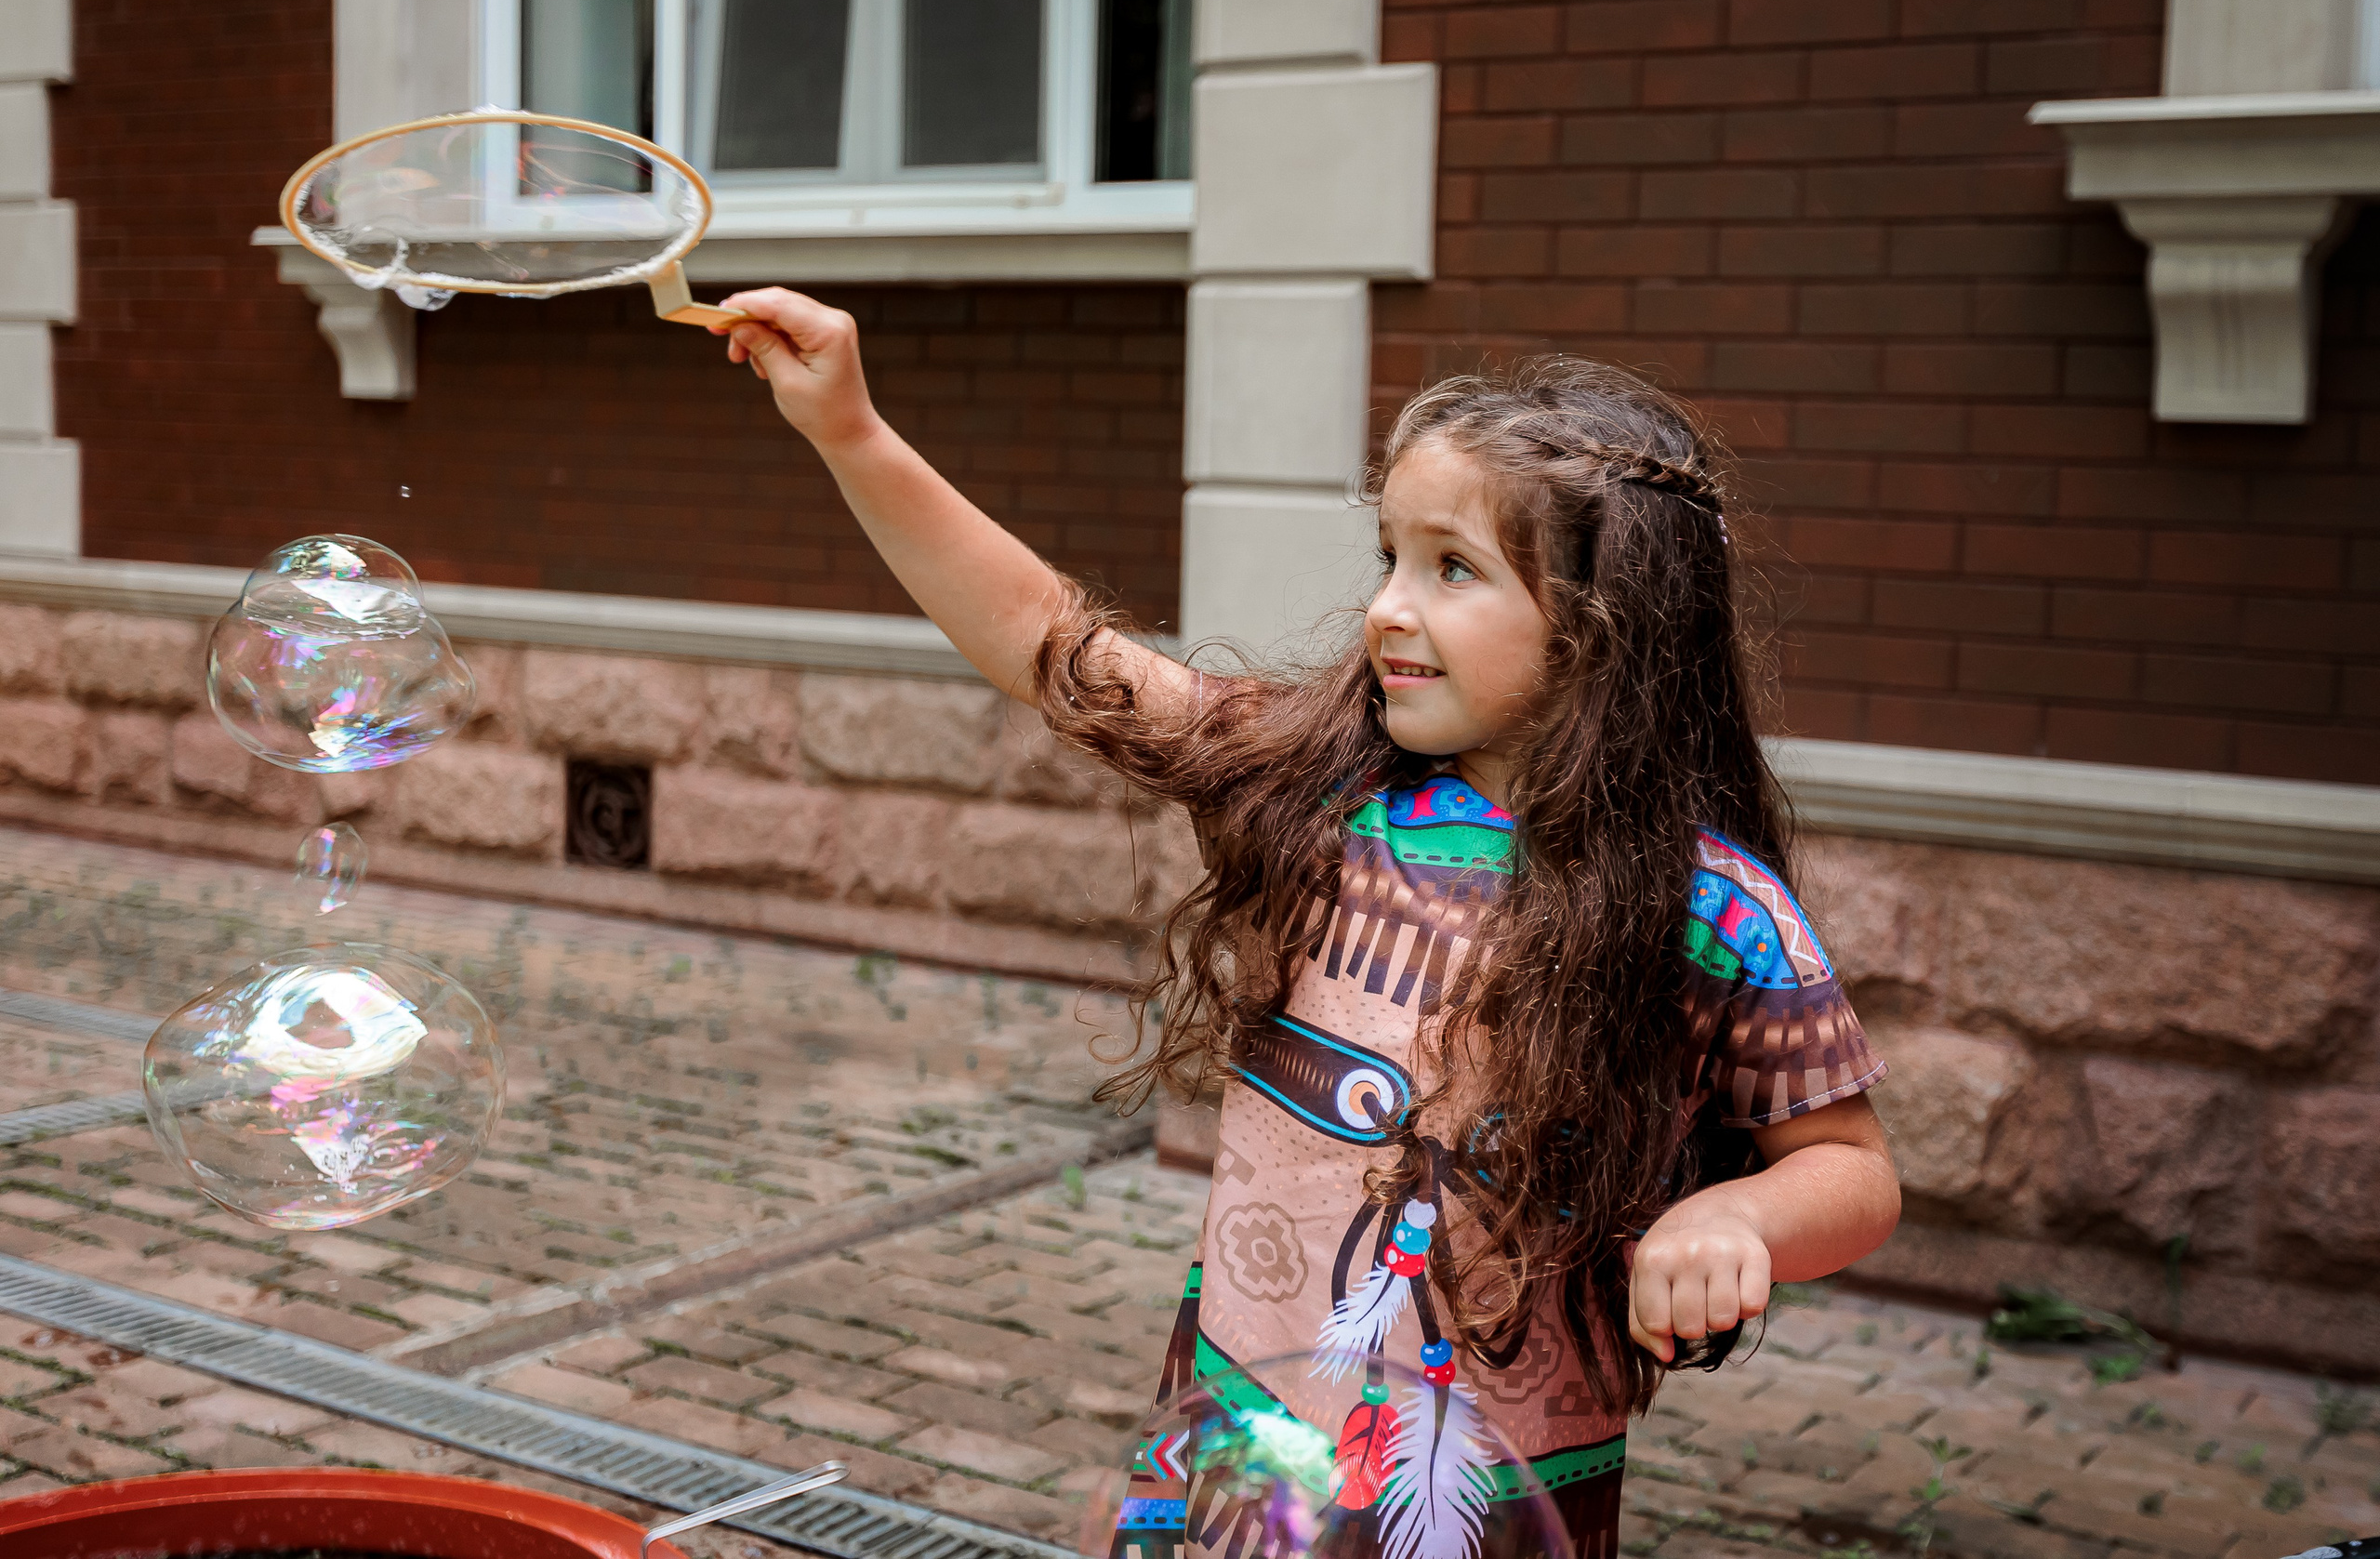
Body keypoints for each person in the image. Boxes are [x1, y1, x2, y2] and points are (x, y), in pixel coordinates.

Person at [715, 291, 1902, 1559]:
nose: (1390, 606)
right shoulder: (1318, 788)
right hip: (1241, 1434)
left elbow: (1852, 1168)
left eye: (1452, 568)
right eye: (1388, 557)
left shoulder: (1710, 909)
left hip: (1484, 1495)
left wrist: (1736, 1220)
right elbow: (1048, 643)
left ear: (1606, 625)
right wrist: (853, 433)